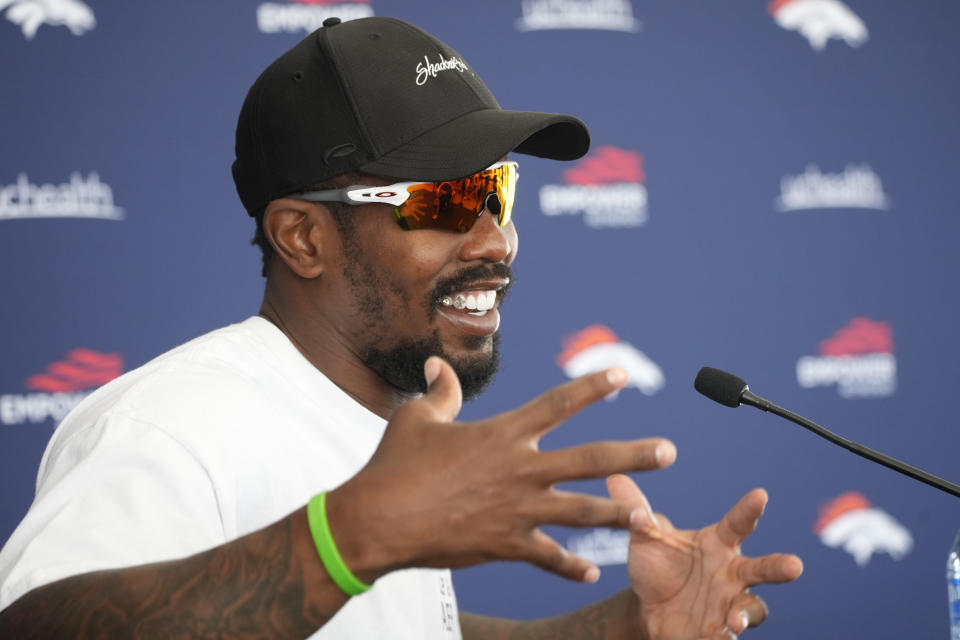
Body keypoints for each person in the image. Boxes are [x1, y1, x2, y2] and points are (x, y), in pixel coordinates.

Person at [0, 16, 802, 639]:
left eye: (496, 191)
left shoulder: (385, 422)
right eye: (442, 201)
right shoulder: (169, 427)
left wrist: (626, 626)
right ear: (302, 237)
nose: (495, 239)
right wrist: (353, 536)